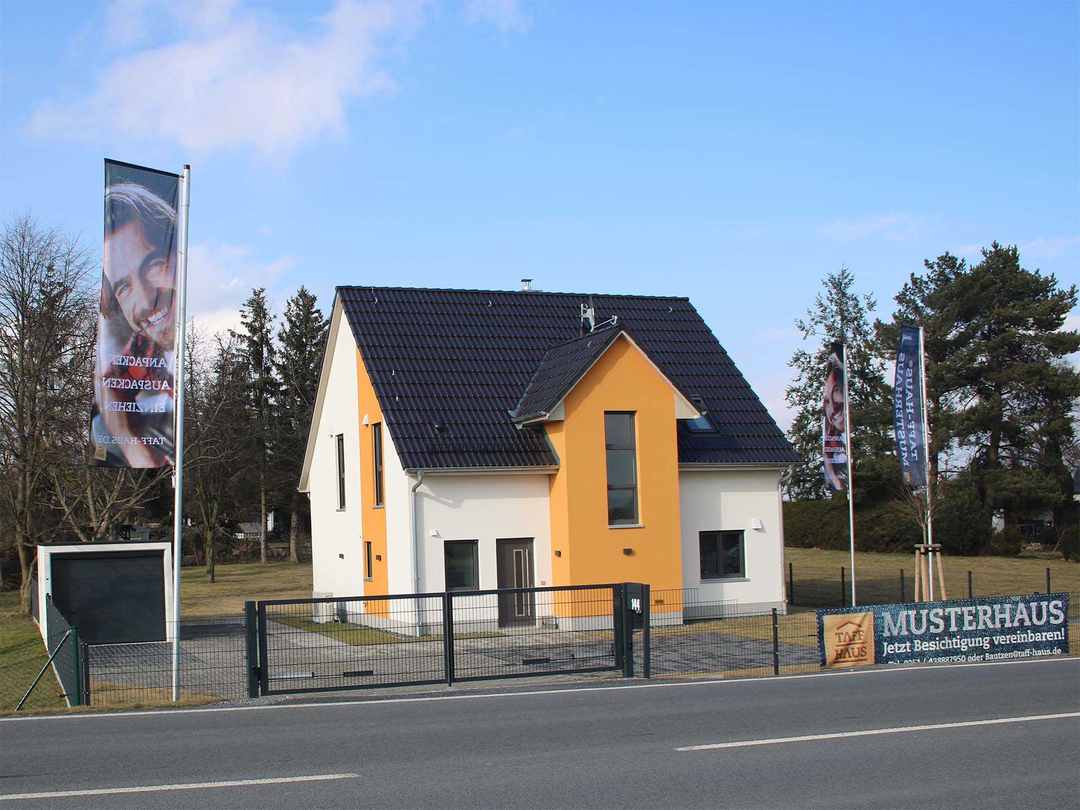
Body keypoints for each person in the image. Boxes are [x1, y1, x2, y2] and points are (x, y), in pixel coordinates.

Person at [91, 182, 178, 467]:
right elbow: (108, 383)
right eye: (123, 287)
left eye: (154, 265)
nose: (144, 303)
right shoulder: (145, 348)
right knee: (101, 430)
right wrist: (131, 444)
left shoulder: (208, 352)